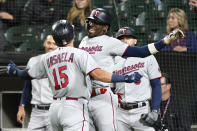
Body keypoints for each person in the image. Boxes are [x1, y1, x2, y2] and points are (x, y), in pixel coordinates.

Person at [7, 20, 142, 131]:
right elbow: (98, 74)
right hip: (74, 107)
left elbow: (26, 75)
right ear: (72, 36)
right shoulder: (79, 53)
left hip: (54, 109)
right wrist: (125, 78)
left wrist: (15, 71)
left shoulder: (46, 58)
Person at [79, 8, 183, 131]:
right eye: (90, 21)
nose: (124, 41)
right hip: (96, 102)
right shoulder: (85, 43)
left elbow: (143, 53)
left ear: (105, 27)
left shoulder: (111, 43)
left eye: (96, 22)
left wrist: (164, 41)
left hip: (127, 106)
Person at [112, 26, 162, 131]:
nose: (124, 41)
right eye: (121, 39)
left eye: (128, 37)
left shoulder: (147, 56)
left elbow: (156, 84)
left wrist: (155, 111)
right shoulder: (112, 61)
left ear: (135, 40)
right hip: (119, 112)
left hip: (141, 111)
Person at [17, 35, 57, 130]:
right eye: (49, 43)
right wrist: (21, 106)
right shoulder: (33, 61)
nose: (51, 46)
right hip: (36, 112)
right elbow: (27, 86)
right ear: (44, 44)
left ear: (59, 46)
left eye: (54, 44)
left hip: (54, 110)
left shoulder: (62, 63)